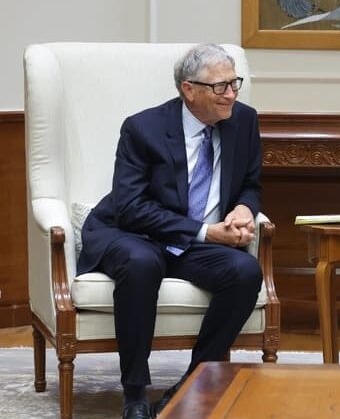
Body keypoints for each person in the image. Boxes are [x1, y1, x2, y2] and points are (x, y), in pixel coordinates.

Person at [77, 44, 265, 419]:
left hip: (192, 241)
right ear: (188, 89)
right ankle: (134, 394)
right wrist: (207, 232)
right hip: (132, 232)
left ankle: (194, 381)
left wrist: (244, 207)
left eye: (234, 83)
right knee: (141, 263)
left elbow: (250, 183)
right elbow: (131, 208)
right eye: (220, 86)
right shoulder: (142, 128)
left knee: (245, 272)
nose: (231, 94)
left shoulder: (244, 120)